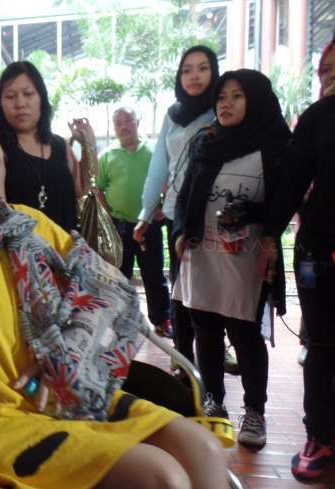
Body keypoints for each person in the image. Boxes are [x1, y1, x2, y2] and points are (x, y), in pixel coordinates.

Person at [0, 88, 231, 489]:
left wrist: (68, 354)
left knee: (202, 447)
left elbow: (113, 292)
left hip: (62, 394)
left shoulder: (30, 225)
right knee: (162, 476)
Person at [173, 69, 290, 449]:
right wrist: (178, 233)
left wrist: (250, 217)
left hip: (246, 259)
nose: (226, 103)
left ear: (254, 101)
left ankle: (254, 410)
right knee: (204, 329)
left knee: (244, 334)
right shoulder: (207, 144)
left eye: (237, 96)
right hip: (201, 254)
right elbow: (183, 196)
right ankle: (214, 402)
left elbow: (282, 205)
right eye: (222, 96)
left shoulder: (274, 147)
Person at [259, 37, 335, 481]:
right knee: (322, 346)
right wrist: (270, 235)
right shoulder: (317, 118)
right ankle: (319, 434)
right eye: (325, 68)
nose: (329, 75)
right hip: (319, 255)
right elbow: (291, 180)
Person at [133, 46, 220, 372]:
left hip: (214, 215)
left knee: (210, 293)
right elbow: (159, 166)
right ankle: (182, 359)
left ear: (213, 71)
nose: (194, 76)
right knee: (181, 291)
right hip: (176, 216)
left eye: (202, 68)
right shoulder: (173, 114)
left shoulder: (220, 109)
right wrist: (145, 212)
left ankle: (213, 350)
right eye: (187, 69)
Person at [97, 107, 171, 338]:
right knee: (119, 276)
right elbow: (99, 188)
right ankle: (120, 322)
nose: (124, 125)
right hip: (119, 227)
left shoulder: (154, 152)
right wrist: (109, 217)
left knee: (154, 275)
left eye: (128, 119)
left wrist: (163, 207)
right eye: (118, 122)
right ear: (114, 127)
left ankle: (161, 321)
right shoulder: (107, 155)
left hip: (149, 225)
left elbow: (170, 180)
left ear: (138, 121)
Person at [0, 61, 94, 232]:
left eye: (28, 94)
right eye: (10, 97)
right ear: (0, 104)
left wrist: (88, 146)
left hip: (66, 250)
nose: (20, 103)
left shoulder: (60, 146)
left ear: (41, 98)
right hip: (20, 254)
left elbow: (83, 190)